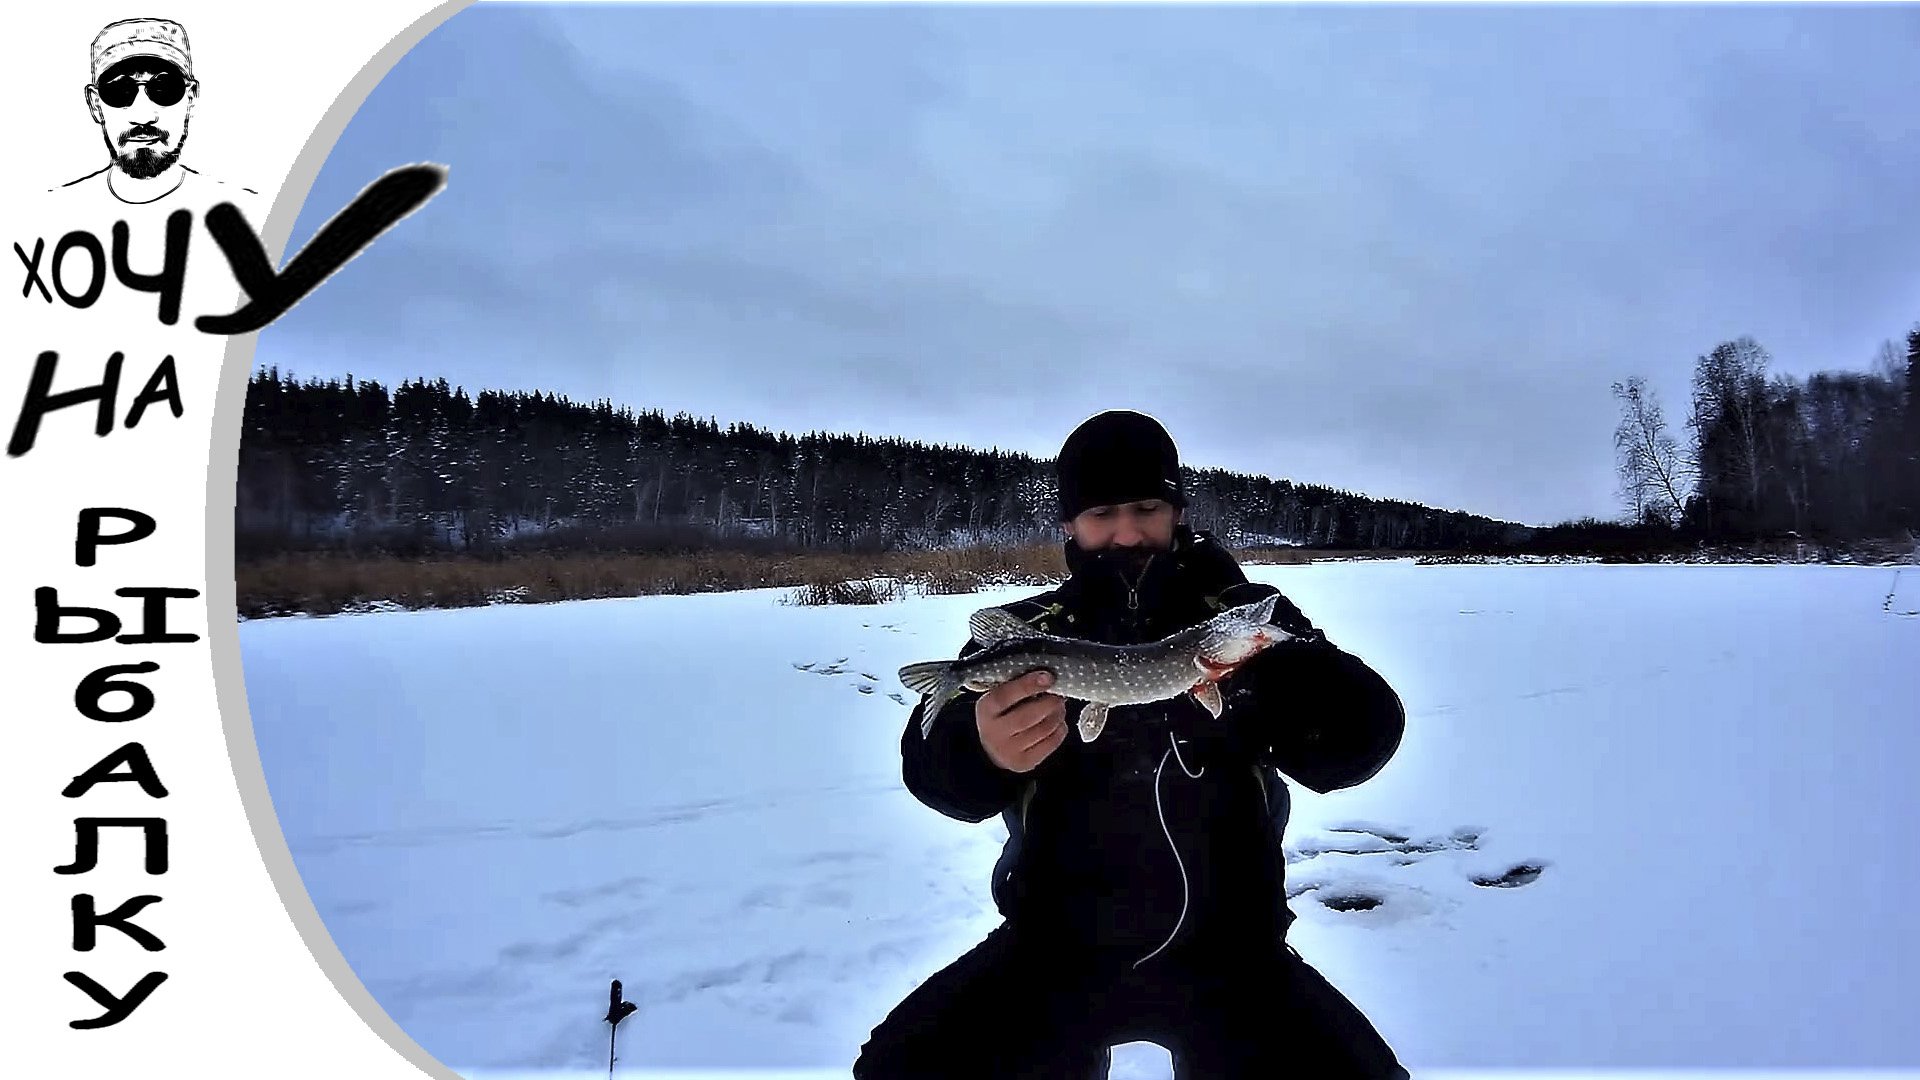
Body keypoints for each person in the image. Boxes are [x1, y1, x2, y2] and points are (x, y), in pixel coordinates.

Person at [853, 409, 1410, 1079]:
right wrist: (982, 748)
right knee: (901, 1068)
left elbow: (1359, 744)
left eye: (1146, 507)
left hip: (1233, 956)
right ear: (1068, 524)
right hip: (1054, 953)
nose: (1126, 532)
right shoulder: (1032, 629)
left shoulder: (1242, 614)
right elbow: (937, 779)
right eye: (1101, 513)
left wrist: (1279, 676)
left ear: (1176, 510)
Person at [52, 17, 258, 208]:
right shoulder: (50, 215)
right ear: (95, 104)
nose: (143, 116)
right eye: (120, 91)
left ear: (191, 97)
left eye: (164, 89)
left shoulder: (251, 214)